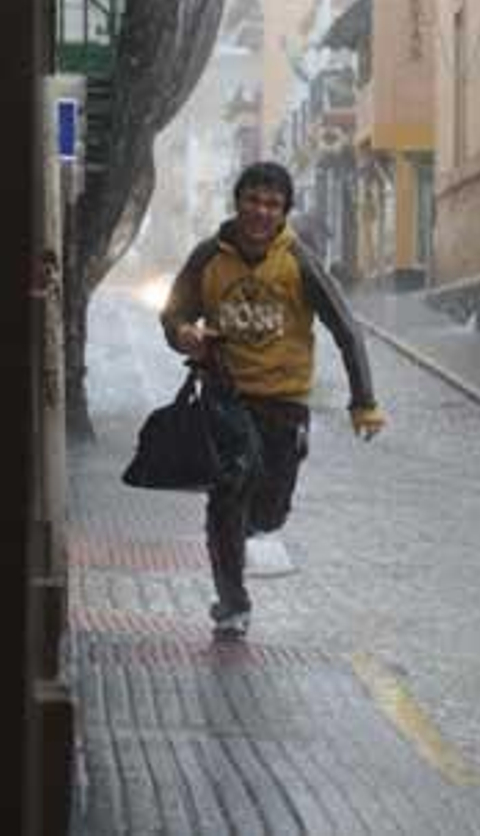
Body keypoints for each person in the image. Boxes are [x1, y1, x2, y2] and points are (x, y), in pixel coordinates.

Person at [160, 161, 385, 639]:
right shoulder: (209, 257)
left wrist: (363, 400)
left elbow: (346, 328)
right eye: (253, 201)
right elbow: (175, 312)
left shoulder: (298, 262)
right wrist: (183, 333)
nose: (261, 212)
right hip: (226, 398)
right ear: (238, 202)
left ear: (283, 212)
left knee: (268, 511)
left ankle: (237, 532)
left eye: (272, 204)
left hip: (283, 405)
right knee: (229, 489)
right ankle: (232, 601)